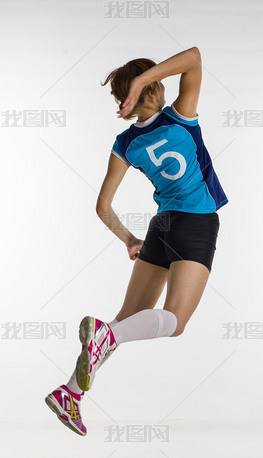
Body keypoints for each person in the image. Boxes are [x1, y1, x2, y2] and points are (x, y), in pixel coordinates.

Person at [45, 46, 229, 436]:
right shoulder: (181, 119)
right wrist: (145, 77)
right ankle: (104, 336)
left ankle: (70, 393)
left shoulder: (125, 143)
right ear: (154, 88)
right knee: (175, 321)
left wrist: (130, 239)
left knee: (128, 321)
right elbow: (195, 56)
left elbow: (102, 206)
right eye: (156, 81)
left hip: (161, 226)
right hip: (195, 224)